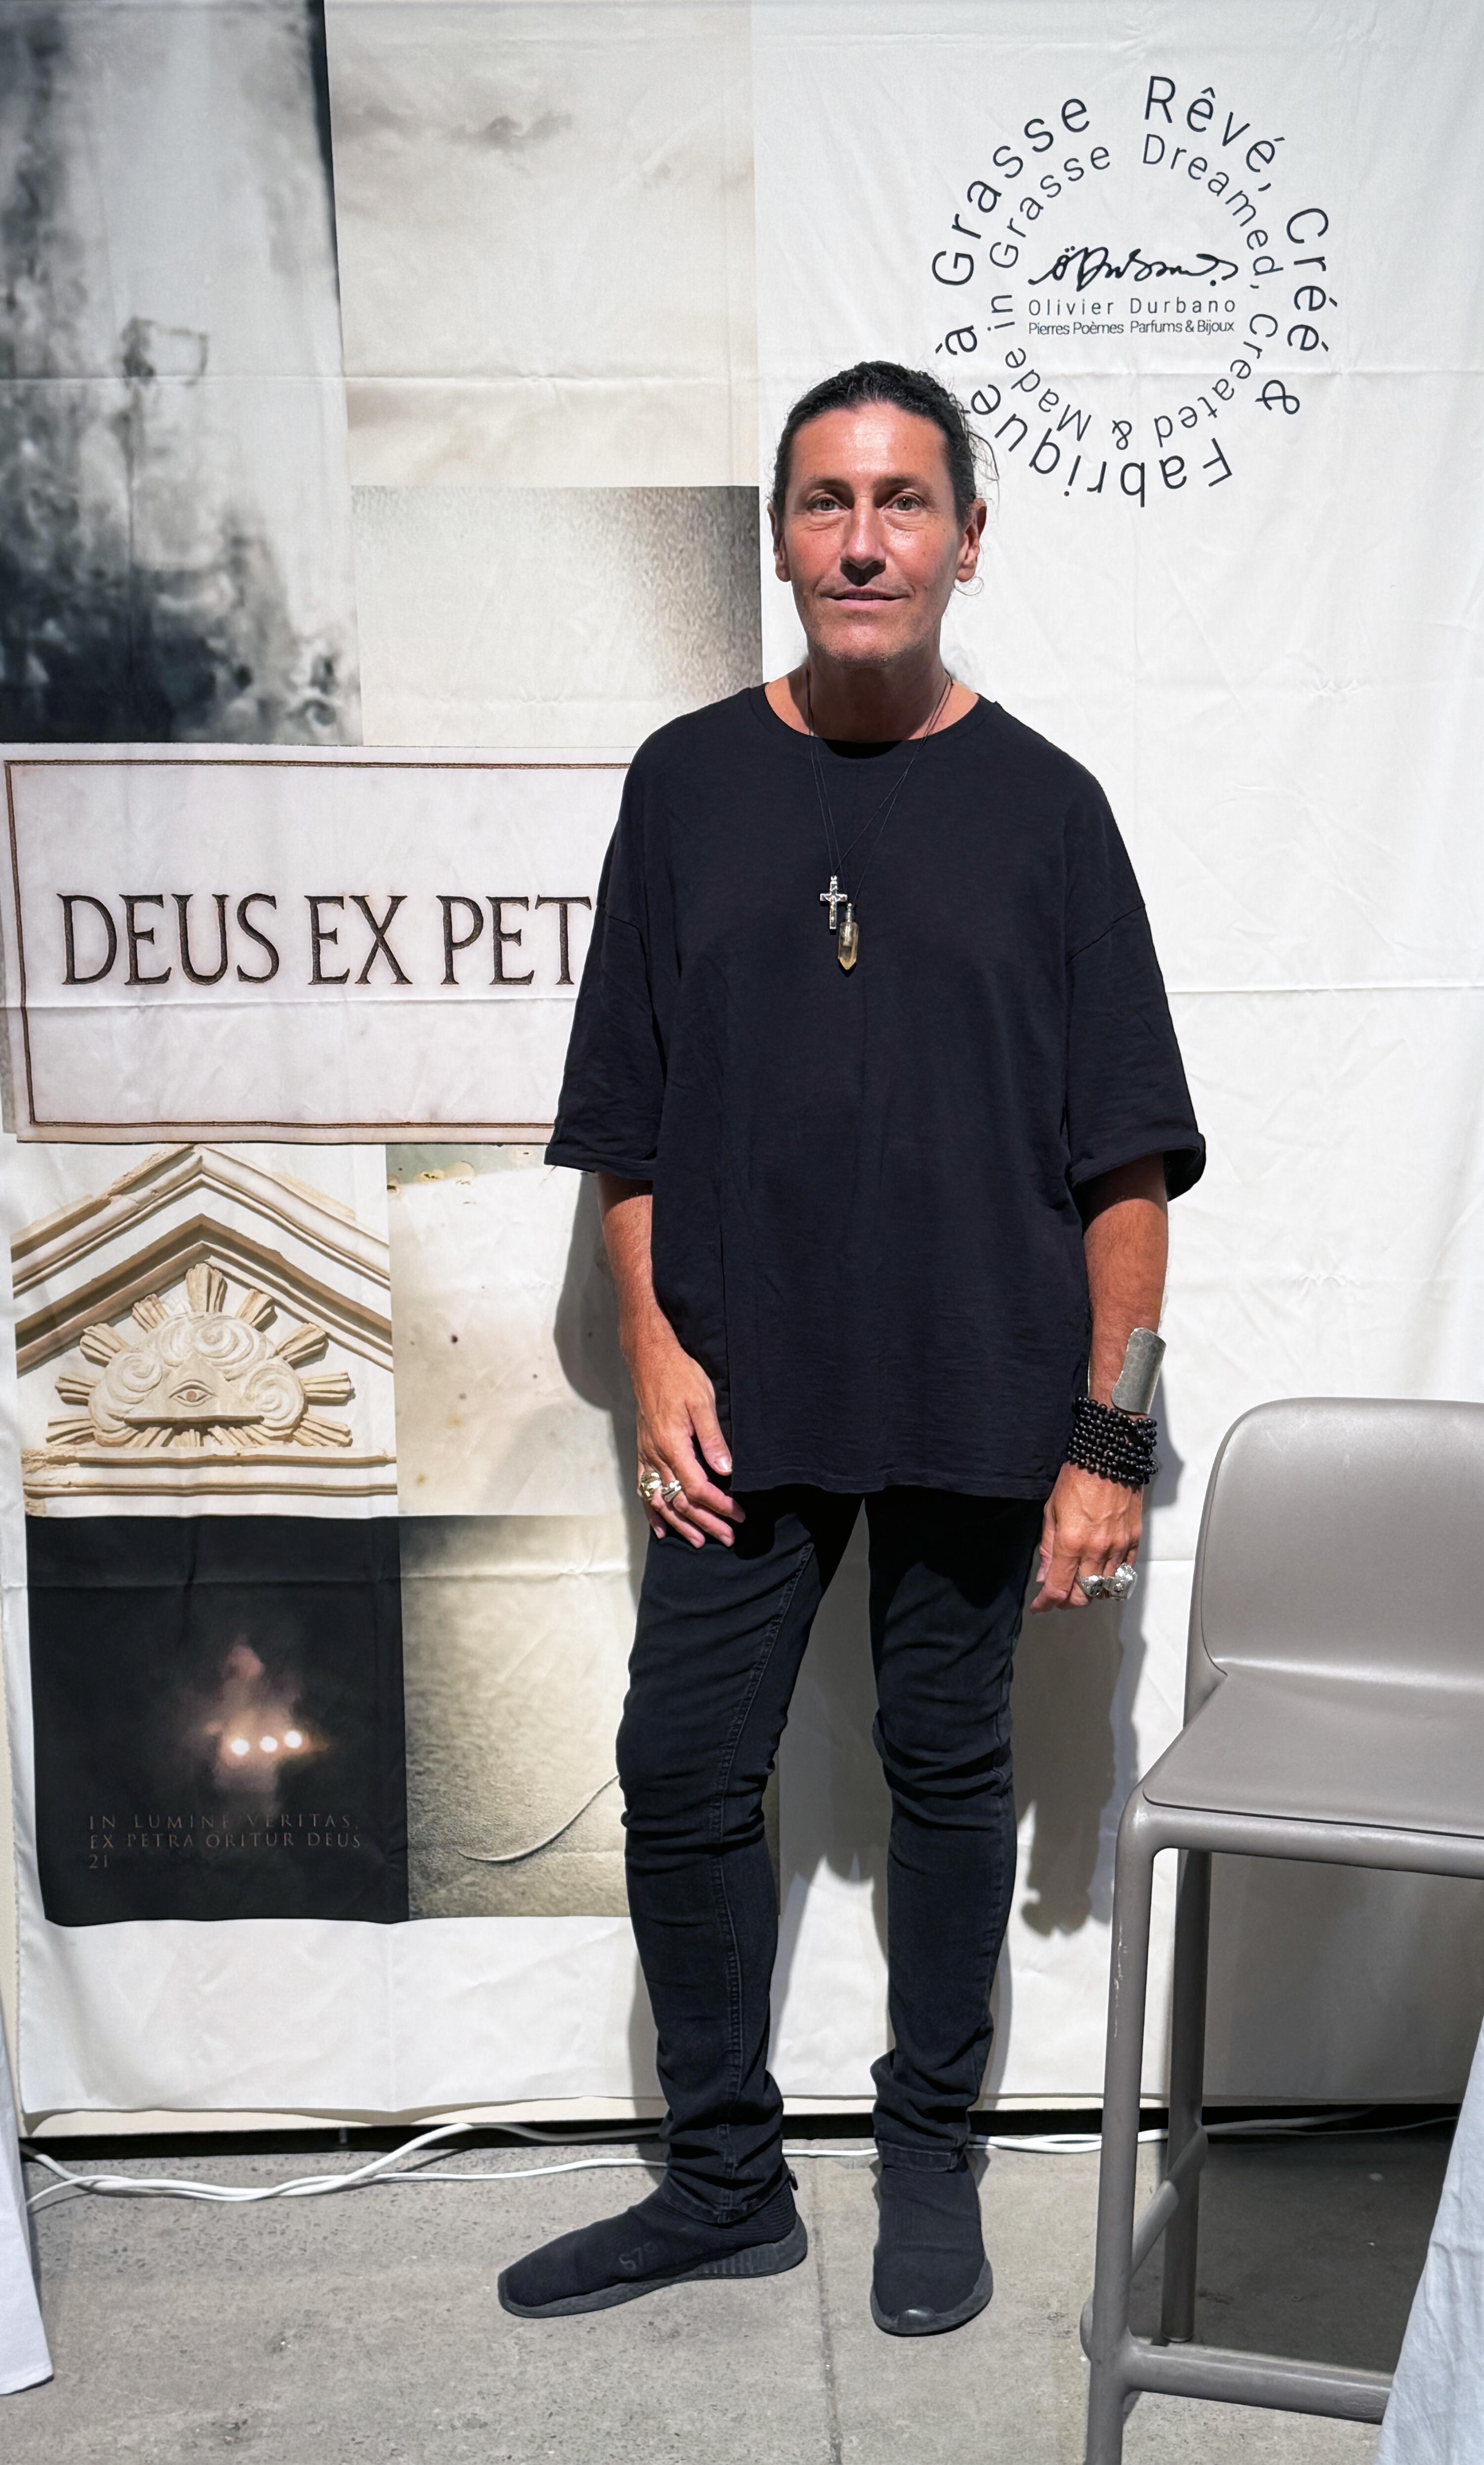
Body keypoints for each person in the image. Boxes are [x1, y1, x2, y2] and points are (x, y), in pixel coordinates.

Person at [498, 361, 1204, 2334]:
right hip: (742, 1393)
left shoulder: (1051, 812)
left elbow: (1128, 1163)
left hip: (982, 1389)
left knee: (947, 1766)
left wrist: (1109, 1441)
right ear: (782, 540)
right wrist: (654, 1354)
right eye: (828, 502)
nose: (866, 539)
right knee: (681, 1766)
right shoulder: (685, 783)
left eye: (904, 502)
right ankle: (725, 2183)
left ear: (970, 539)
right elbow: (626, 1121)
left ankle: (929, 2152)